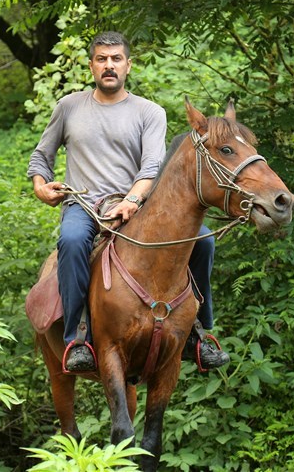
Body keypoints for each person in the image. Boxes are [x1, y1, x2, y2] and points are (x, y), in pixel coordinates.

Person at [27, 31, 229, 373]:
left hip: (141, 207)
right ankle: (78, 337)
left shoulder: (149, 112)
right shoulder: (69, 106)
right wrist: (40, 187)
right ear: (91, 65)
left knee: (205, 240)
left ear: (128, 65)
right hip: (85, 206)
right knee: (72, 240)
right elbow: (41, 157)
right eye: (102, 59)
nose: (109, 66)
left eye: (116, 59)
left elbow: (152, 165)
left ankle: (199, 334)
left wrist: (134, 200)